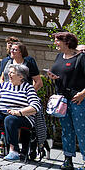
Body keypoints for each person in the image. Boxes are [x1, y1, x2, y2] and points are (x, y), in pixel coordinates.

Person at [0, 63, 41, 161]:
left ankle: (14, 152)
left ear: (20, 76)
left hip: (23, 117)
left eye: (12, 73)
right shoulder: (5, 85)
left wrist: (18, 112)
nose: (9, 74)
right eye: (9, 72)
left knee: (10, 119)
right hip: (3, 113)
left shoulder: (28, 88)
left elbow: (35, 106)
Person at [46, 32, 85, 170]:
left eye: (57, 41)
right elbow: (62, 74)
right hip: (62, 101)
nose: (55, 43)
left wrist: (83, 94)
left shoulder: (81, 58)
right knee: (66, 130)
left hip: (78, 101)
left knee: (82, 131)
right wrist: (53, 77)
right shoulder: (59, 56)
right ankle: (68, 160)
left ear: (67, 42)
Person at [0, 41, 47, 148]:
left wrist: (27, 94)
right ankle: (5, 144)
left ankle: (23, 148)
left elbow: (38, 82)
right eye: (10, 48)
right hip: (7, 96)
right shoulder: (6, 61)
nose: (11, 50)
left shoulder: (28, 62)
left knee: (20, 119)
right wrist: (2, 92)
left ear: (21, 52)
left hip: (22, 98)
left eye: (14, 49)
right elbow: (0, 79)